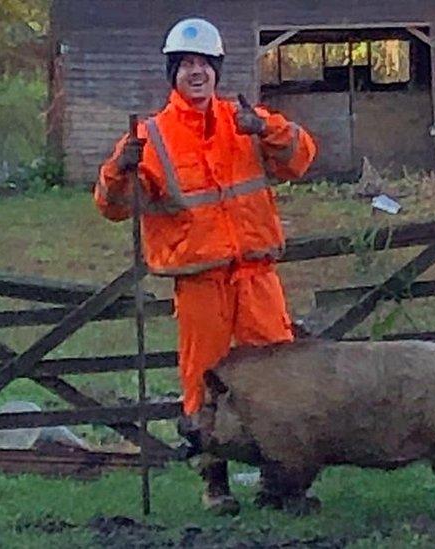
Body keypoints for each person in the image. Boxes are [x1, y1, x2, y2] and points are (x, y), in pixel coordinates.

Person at [94, 17, 316, 514]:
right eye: (186, 65)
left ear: (217, 70)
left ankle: (278, 480)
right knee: (203, 384)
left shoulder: (247, 120)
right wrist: (120, 168)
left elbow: (301, 158)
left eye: (205, 65)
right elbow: (113, 205)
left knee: (277, 379)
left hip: (257, 276)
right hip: (200, 282)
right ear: (173, 73)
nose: (197, 73)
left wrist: (268, 129)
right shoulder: (150, 136)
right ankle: (214, 483)